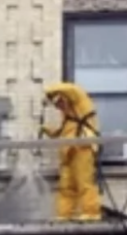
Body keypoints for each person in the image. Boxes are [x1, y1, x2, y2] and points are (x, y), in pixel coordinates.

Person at [40, 82, 102, 222]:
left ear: (65, 99)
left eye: (60, 102)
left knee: (84, 182)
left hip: (82, 147)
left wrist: (49, 92)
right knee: (66, 186)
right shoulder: (68, 118)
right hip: (68, 151)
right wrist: (46, 129)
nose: (59, 107)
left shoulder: (81, 101)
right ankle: (64, 214)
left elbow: (71, 89)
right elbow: (61, 132)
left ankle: (91, 213)